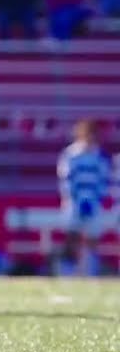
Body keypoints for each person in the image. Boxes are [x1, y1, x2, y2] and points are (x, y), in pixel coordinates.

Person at [57, 119, 111, 277]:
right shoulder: (71, 155)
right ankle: (66, 274)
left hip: (93, 204)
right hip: (74, 203)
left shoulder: (100, 156)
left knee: (92, 240)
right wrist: (76, 199)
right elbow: (66, 179)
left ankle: (90, 274)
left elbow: (102, 180)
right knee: (71, 238)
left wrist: (95, 200)